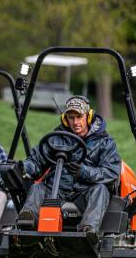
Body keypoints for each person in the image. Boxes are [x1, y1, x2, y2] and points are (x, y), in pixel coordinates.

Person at [17, 96, 121, 234]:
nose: (75, 122)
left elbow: (111, 172)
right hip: (57, 191)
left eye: (79, 117)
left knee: (100, 189)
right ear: (65, 119)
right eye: (71, 117)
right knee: (38, 187)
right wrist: (23, 166)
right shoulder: (55, 139)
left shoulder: (105, 143)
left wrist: (84, 171)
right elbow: (36, 161)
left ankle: (88, 229)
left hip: (84, 193)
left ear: (88, 117)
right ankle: (27, 221)